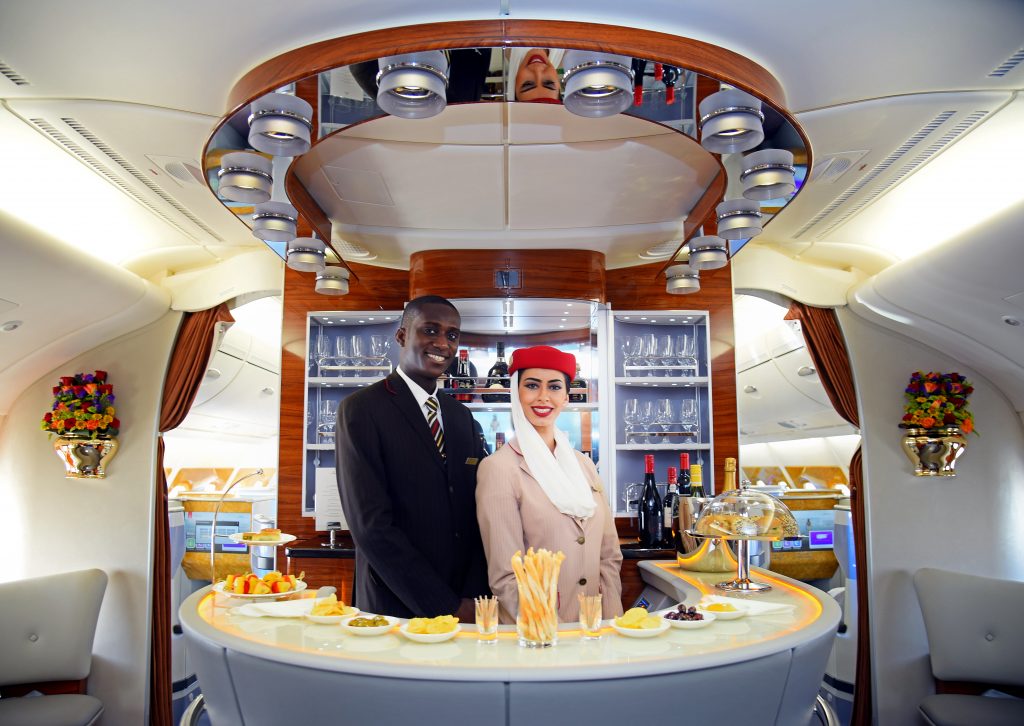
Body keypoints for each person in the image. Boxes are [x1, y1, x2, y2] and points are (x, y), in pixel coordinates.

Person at [335, 295, 489, 620]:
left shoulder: (462, 417)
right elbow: (371, 527)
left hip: (464, 602)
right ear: (402, 335)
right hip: (395, 603)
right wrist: (443, 605)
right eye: (430, 330)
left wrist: (472, 596)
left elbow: (476, 512)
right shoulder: (362, 409)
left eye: (452, 335)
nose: (442, 343)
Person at [476, 345, 622, 624]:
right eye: (532, 385)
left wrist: (611, 619)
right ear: (516, 393)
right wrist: (544, 631)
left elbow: (609, 555)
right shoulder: (498, 469)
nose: (544, 397)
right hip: (540, 630)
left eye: (554, 387)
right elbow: (506, 574)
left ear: (566, 397)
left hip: (597, 625)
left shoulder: (584, 465)